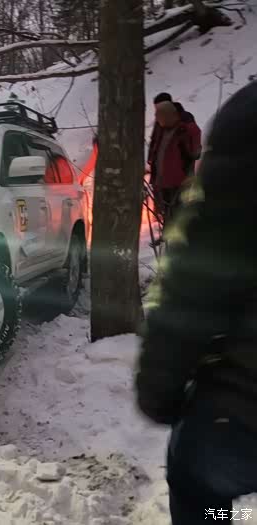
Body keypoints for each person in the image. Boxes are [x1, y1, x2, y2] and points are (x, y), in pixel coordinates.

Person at [136, 81, 257, 525]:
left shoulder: (242, 126)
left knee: (197, 487)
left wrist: (160, 393)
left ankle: (222, 518)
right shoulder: (163, 131)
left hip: (241, 417)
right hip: (168, 189)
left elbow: (190, 296)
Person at [147, 101, 202, 223]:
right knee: (166, 215)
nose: (157, 119)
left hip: (178, 183)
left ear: (170, 115)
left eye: (159, 116)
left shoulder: (186, 129)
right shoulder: (162, 130)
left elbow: (196, 153)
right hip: (161, 182)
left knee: (177, 216)